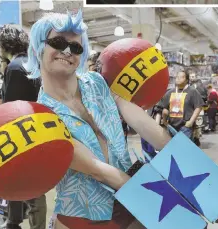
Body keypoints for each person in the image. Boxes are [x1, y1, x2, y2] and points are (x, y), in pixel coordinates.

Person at [26, 11, 171, 229]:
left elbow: (133, 115)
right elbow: (95, 168)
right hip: (85, 215)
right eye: (57, 42)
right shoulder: (41, 116)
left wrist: (174, 149)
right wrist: (156, 200)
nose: (67, 51)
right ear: (39, 47)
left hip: (130, 202)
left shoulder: (96, 82)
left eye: (76, 47)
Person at [0, 24, 46, 229]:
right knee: (18, 182)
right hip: (34, 131)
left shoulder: (15, 68)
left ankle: (27, 224)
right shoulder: (27, 63)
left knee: (31, 188)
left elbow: (10, 107)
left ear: (4, 44)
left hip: (21, 134)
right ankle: (13, 221)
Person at [160, 70, 204, 139]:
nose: (178, 78)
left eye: (181, 77)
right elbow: (165, 109)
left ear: (186, 80)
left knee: (184, 148)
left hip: (185, 127)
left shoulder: (192, 91)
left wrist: (191, 121)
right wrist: (165, 121)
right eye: (177, 77)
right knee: (174, 148)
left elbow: (198, 107)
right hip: (172, 126)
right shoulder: (169, 93)